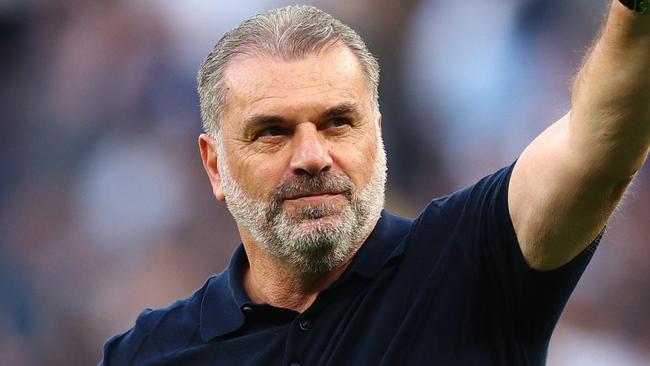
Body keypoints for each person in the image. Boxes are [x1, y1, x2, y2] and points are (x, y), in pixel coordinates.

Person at [100, 2, 650, 365]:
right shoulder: (147, 353)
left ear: (378, 137)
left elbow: (599, 140)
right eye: (273, 132)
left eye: (339, 122)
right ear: (215, 165)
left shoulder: (470, 262)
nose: (313, 156)